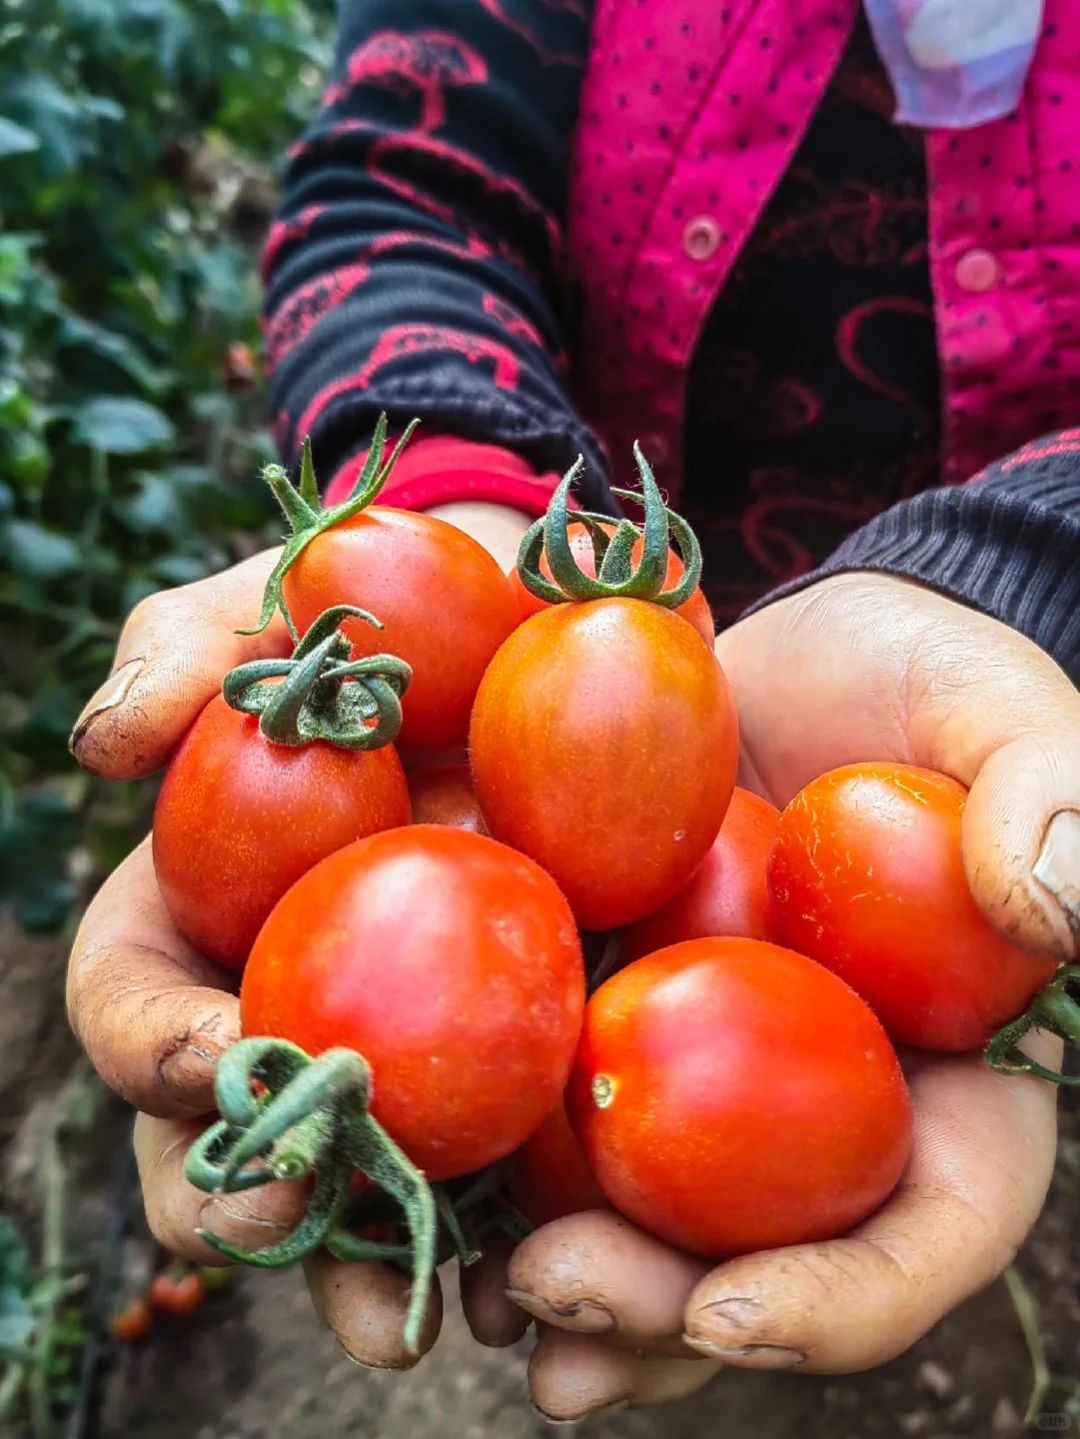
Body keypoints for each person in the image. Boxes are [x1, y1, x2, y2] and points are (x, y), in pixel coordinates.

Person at [67, 0, 1080, 1422]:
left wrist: (1030, 563)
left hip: (856, 676)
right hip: (591, 558)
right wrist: (451, 492)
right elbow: (403, 183)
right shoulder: (494, 726)